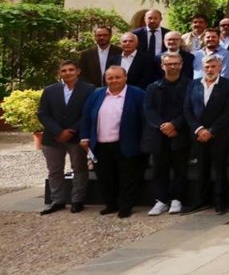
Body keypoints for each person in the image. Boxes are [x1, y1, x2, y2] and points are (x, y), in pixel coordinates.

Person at [80, 66, 147, 217]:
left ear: (125, 77)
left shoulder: (137, 94)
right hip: (101, 145)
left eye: (117, 77)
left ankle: (125, 206)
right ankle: (110, 204)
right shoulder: (97, 94)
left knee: (128, 178)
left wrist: (144, 142)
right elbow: (86, 116)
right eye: (110, 78)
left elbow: (145, 119)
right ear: (105, 79)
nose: (114, 80)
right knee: (105, 177)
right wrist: (85, 137)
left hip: (127, 143)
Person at [37, 60, 95, 214]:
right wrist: (58, 131)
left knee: (79, 168)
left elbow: (89, 113)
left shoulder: (89, 89)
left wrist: (71, 130)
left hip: (76, 136)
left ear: (78, 71)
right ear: (59, 73)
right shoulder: (49, 90)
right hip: (53, 137)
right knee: (54, 170)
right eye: (64, 70)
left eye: (71, 69)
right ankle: (57, 201)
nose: (67, 73)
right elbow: (42, 113)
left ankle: (77, 200)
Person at [185, 56, 229, 214]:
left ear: (220, 67)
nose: (210, 69)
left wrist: (212, 130)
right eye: (207, 67)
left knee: (220, 168)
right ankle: (202, 200)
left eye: (213, 66)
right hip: (198, 134)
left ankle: (220, 202)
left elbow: (228, 111)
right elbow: (187, 108)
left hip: (218, 134)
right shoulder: (193, 84)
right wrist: (199, 129)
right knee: (202, 168)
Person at [142, 52, 190, 215]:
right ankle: (161, 200)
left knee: (180, 168)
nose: (172, 67)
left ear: (181, 65)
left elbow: (189, 109)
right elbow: (148, 109)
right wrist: (163, 126)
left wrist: (174, 124)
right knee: (159, 169)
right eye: (168, 64)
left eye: (175, 63)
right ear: (162, 66)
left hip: (180, 133)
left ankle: (177, 199)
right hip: (159, 134)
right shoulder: (153, 87)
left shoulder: (190, 85)